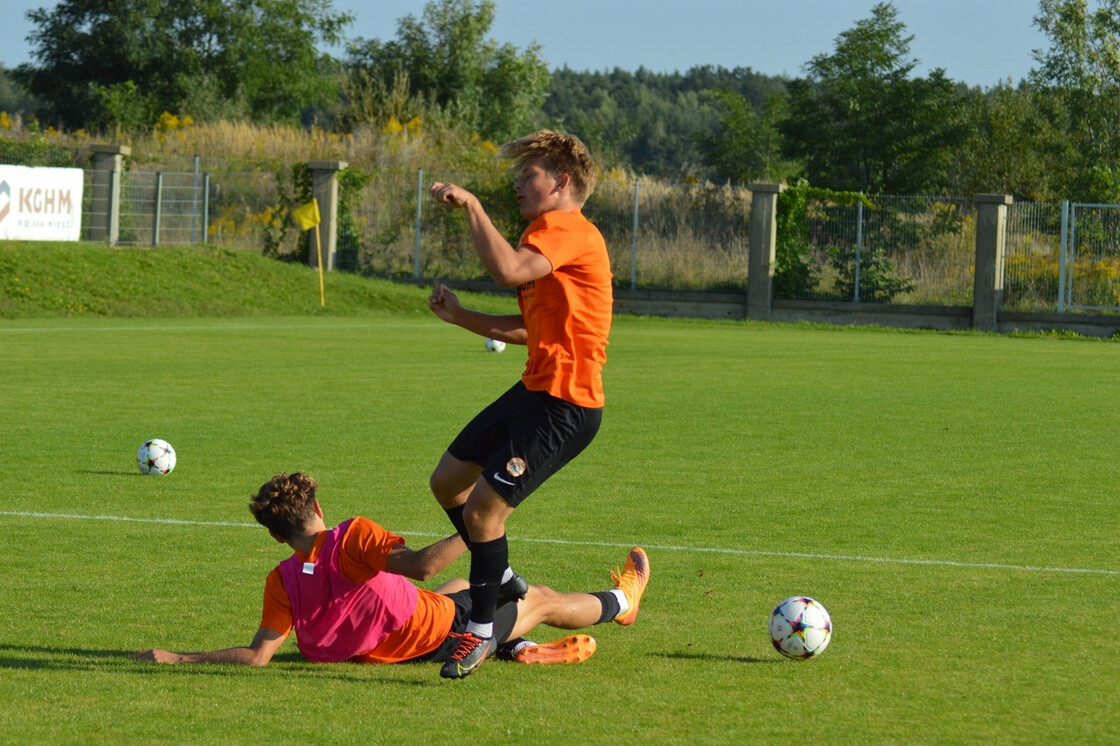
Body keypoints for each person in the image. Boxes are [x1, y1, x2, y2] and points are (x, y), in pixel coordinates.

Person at [426, 130, 622, 679]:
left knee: (485, 511)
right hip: (535, 391)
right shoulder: (546, 233)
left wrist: (472, 205)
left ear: (561, 183)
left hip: (565, 404)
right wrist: (463, 316)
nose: (518, 182)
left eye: (528, 173)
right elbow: (530, 329)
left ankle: (482, 631)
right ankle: (505, 578)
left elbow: (508, 270)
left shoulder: (567, 230)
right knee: (447, 482)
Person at [131, 472, 649, 673]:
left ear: (275, 536)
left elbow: (258, 655)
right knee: (539, 597)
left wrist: (179, 655)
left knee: (464, 584)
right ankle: (623, 602)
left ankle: (514, 647)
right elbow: (421, 565)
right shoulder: (351, 536)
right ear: (319, 505)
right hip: (439, 634)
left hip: (389, 642)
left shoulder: (282, 578)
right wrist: (477, 528)